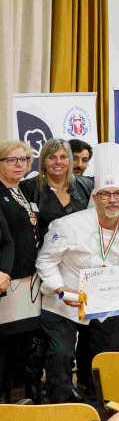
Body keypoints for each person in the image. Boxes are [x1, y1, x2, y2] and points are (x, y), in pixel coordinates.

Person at [36, 144, 119, 404]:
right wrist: (60, 289)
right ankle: (60, 404)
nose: (112, 200)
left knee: (105, 355)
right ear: (95, 197)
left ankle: (99, 401)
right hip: (65, 301)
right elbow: (45, 261)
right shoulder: (67, 226)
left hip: (105, 302)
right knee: (62, 355)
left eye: (118, 194)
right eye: (105, 194)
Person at [0, 141, 41, 399]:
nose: (19, 164)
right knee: (6, 342)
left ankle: (25, 395)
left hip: (30, 280)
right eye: (11, 160)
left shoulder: (24, 190)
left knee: (25, 341)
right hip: (8, 279)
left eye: (24, 159)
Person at [22, 138, 94, 243]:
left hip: (82, 249)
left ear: (69, 160)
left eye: (63, 157)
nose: (58, 162)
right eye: (52, 157)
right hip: (45, 250)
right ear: (43, 161)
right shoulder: (27, 188)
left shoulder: (88, 185)